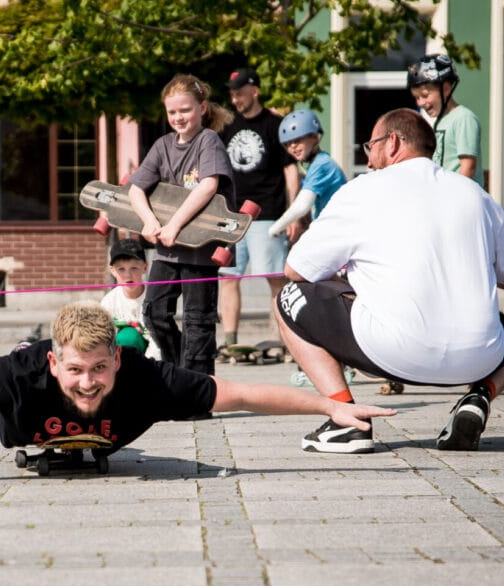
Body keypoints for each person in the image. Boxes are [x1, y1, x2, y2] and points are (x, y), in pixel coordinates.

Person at [0, 302, 394, 454]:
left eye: (99, 370)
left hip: (104, 432)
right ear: (53, 363)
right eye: (75, 371)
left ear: (117, 362)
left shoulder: (146, 381)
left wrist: (331, 406)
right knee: (7, 427)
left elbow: (244, 393)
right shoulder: (17, 377)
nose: (88, 383)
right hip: (23, 424)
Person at [274, 109, 504, 455]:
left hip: (394, 353)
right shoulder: (474, 194)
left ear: (394, 142)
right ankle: (478, 397)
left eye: (370, 146)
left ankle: (346, 422)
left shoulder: (363, 190)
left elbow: (296, 270)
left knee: (289, 298)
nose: (368, 160)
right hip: (478, 357)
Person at [127, 73, 236, 374]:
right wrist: (149, 221)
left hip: (200, 250)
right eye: (172, 111)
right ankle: (178, 373)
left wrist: (174, 224)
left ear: (202, 108)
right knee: (154, 313)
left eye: (185, 110)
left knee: (197, 319)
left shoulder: (208, 141)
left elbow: (208, 185)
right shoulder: (163, 145)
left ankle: (199, 387)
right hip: (166, 251)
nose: (178, 117)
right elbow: (136, 189)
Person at [219, 67, 301, 348]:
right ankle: (231, 343)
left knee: (275, 279)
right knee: (228, 279)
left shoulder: (274, 125)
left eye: (240, 93)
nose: (236, 100)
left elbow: (290, 171)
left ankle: (287, 340)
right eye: (232, 94)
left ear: (255, 90)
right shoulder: (227, 125)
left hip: (268, 214)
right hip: (232, 215)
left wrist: (293, 215)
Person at [267, 110, 347, 237]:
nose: (292, 146)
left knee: (297, 256)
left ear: (314, 137)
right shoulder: (317, 163)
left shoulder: (322, 164)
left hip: (336, 231)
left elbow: (302, 205)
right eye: (287, 144)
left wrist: (275, 227)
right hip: (330, 229)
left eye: (297, 140)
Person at [407, 54, 483, 185]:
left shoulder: (463, 118)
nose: (420, 103)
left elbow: (468, 167)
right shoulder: (441, 121)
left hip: (463, 198)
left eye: (425, 95)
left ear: (446, 89)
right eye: (417, 98)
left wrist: (453, 195)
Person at [99, 238, 161, 360]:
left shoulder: (154, 298)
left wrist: (149, 366)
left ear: (145, 267)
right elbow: (105, 339)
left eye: (134, 268)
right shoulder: (108, 303)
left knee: (132, 337)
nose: (128, 275)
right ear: (112, 271)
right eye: (121, 269)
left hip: (151, 358)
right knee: (127, 337)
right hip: (120, 358)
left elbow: (158, 341)